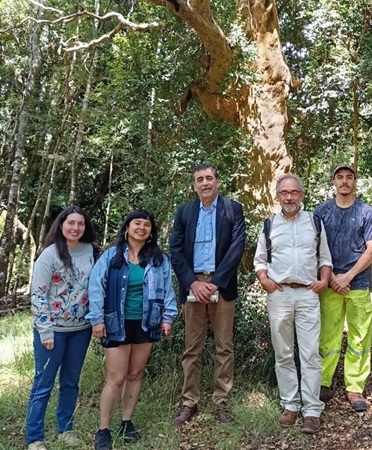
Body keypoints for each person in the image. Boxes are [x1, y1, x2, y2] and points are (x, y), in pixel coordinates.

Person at [87, 209, 177, 450]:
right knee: (116, 378)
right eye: (137, 223)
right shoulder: (111, 256)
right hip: (116, 322)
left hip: (147, 322)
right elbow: (96, 286)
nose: (141, 228)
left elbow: (167, 289)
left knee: (135, 374)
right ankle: (103, 430)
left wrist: (168, 317)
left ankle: (126, 423)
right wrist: (97, 319)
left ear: (151, 231)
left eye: (146, 225)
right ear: (127, 228)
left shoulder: (159, 259)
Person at [254, 173, 332, 433]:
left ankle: (312, 410)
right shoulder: (269, 225)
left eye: (294, 192)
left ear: (302, 195)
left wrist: (324, 281)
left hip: (308, 293)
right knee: (283, 353)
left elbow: (325, 258)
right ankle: (290, 404)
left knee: (310, 353)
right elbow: (260, 260)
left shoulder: (314, 222)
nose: (289, 197)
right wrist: (264, 280)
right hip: (280, 294)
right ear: (277, 196)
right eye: (284, 193)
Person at [170, 163, 246, 425]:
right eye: (200, 179)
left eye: (209, 178)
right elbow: (175, 249)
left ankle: (221, 399)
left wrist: (214, 283)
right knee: (192, 347)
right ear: (194, 185)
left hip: (220, 285)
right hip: (193, 285)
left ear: (217, 181)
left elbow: (237, 248)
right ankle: (189, 401)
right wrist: (193, 282)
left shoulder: (232, 209)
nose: (205, 183)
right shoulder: (185, 212)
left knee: (224, 346)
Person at [26, 206, 97, 450]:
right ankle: (34, 438)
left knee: (70, 382)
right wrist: (45, 331)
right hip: (53, 331)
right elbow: (38, 295)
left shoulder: (90, 251)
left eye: (80, 223)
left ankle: (66, 430)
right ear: (61, 225)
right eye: (71, 223)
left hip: (81, 329)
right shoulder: (49, 255)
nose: (76, 228)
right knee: (43, 384)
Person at [315, 164, 372, 411]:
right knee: (327, 335)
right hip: (329, 283)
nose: (344, 181)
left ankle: (355, 387)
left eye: (349, 177)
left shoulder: (366, 211)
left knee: (359, 336)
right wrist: (332, 277)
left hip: (358, 284)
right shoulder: (322, 211)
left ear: (355, 181)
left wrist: (349, 276)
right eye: (340, 177)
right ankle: (323, 382)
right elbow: (315, 247)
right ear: (334, 181)